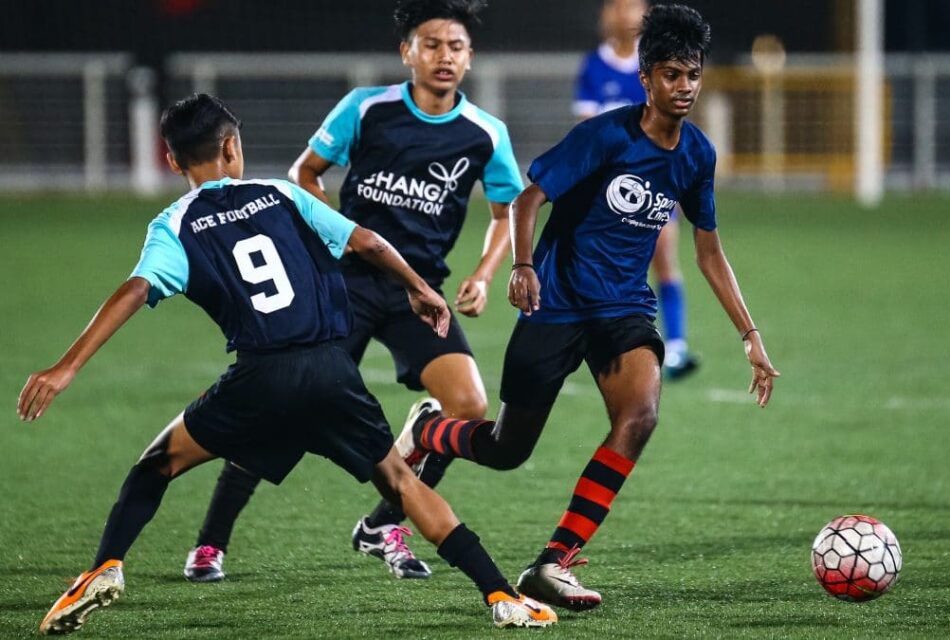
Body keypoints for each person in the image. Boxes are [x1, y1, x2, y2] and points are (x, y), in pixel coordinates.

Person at [19, 93, 556, 634]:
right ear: (232, 147)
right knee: (401, 482)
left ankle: (104, 568)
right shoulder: (278, 192)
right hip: (331, 371)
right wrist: (419, 289)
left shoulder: (173, 226)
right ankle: (501, 595)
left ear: (173, 162)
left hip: (259, 379)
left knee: (156, 464)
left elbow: (135, 290)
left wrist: (66, 367)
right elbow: (367, 241)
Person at [394, 4, 779, 611]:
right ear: (647, 78)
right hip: (556, 304)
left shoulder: (697, 155)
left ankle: (553, 561)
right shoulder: (606, 135)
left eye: (693, 76)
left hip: (622, 310)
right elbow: (528, 200)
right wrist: (522, 266)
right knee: (505, 449)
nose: (684, 88)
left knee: (640, 416)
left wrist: (750, 336)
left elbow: (709, 252)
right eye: (672, 75)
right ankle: (428, 431)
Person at [182, 0, 524, 584]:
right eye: (432, 44)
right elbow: (303, 174)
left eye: (457, 47)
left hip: (419, 291)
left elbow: (506, 211)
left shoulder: (485, 133)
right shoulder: (367, 108)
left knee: (468, 406)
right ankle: (211, 542)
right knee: (287, 407)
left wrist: (486, 272)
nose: (445, 56)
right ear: (407, 52)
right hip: (345, 285)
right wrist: (334, 236)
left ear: (470, 58)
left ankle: (382, 522)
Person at [575, 0, 698, 379]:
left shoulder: (659, 64)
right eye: (619, 7)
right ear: (607, 15)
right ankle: (572, 334)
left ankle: (676, 347)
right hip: (606, 188)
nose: (626, 15)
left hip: (657, 182)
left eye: (633, 8)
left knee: (664, 257)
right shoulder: (593, 66)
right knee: (590, 262)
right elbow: (588, 130)